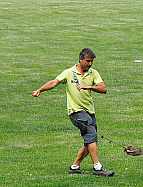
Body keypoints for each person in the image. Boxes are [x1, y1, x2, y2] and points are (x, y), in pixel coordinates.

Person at [32, 48, 114, 177]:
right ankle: (98, 167)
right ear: (80, 59)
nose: (90, 64)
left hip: (89, 111)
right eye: (88, 61)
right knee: (91, 135)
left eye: (92, 61)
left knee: (90, 140)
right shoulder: (69, 73)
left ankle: (75, 167)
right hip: (76, 112)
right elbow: (54, 82)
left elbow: (103, 89)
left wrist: (89, 86)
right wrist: (40, 90)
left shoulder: (93, 73)